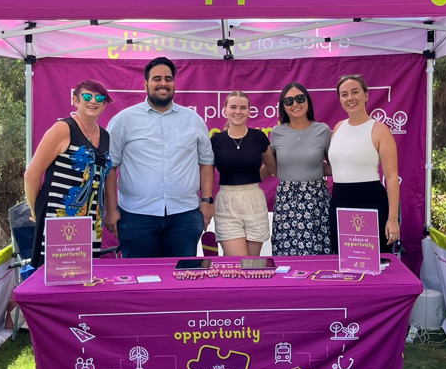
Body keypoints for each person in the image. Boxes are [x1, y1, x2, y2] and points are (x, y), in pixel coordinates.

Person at [104, 57, 214, 258]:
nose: (163, 83)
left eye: (168, 79)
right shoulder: (123, 120)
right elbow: (110, 166)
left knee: (181, 281)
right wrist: (111, 210)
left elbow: (206, 161)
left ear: (174, 83)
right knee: (140, 282)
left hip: (185, 215)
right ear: (146, 84)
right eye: (157, 79)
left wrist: (207, 200)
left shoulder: (194, 120)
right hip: (136, 216)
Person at [24, 80, 113, 268]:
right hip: (60, 217)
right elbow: (32, 174)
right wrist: (35, 211)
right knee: (57, 274)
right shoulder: (63, 129)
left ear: (105, 104)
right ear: (75, 100)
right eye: (87, 96)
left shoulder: (105, 136)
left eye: (100, 97)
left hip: (91, 220)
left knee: (83, 277)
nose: (93, 101)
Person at [328, 74, 400, 254]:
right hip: (339, 201)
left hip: (371, 202)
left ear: (366, 95)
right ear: (340, 99)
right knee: (344, 260)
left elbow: (391, 177)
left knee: (374, 261)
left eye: (355, 92)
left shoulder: (380, 130)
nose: (350, 98)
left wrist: (392, 219)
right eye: (344, 94)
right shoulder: (338, 127)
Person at [267, 82, 332, 256]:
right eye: (288, 101)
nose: (295, 104)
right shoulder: (276, 132)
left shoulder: (322, 130)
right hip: (286, 200)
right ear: (283, 106)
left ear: (308, 101)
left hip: (315, 200)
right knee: (286, 255)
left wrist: (315, 169)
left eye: (299, 98)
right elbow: (271, 166)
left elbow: (334, 165)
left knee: (317, 254)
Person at [211, 91, 276, 256]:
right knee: (238, 262)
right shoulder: (216, 140)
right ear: (225, 110)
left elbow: (273, 168)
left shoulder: (259, 137)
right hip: (227, 202)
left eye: (243, 107)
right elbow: (206, 174)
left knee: (252, 265)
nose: (238, 111)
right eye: (233, 107)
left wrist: (250, 177)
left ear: (249, 110)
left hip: (254, 201)